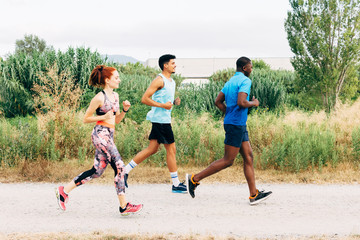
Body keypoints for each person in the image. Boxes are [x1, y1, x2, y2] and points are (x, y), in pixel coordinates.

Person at [55, 65, 143, 216]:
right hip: (100, 134)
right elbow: (86, 118)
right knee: (120, 166)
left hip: (109, 133)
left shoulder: (115, 96)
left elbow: (115, 121)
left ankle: (64, 191)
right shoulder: (99, 98)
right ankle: (124, 206)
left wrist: (125, 110)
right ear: (108, 80)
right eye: (116, 78)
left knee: (97, 171)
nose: (119, 80)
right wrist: (103, 116)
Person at [185, 57, 272, 205]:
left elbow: (217, 101)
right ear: (244, 68)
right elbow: (242, 102)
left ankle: (253, 194)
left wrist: (228, 112)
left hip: (237, 124)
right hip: (236, 125)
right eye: (250, 67)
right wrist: (255, 103)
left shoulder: (230, 81)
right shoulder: (245, 81)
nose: (251, 69)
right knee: (228, 160)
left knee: (248, 156)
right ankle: (194, 179)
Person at [123, 54, 187, 193]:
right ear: (165, 65)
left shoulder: (171, 81)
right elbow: (144, 99)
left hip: (163, 119)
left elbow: (166, 102)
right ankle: (176, 184)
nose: (175, 65)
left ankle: (124, 171)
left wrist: (173, 103)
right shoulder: (159, 80)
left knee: (152, 149)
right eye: (172, 63)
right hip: (161, 120)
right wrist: (163, 106)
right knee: (171, 150)